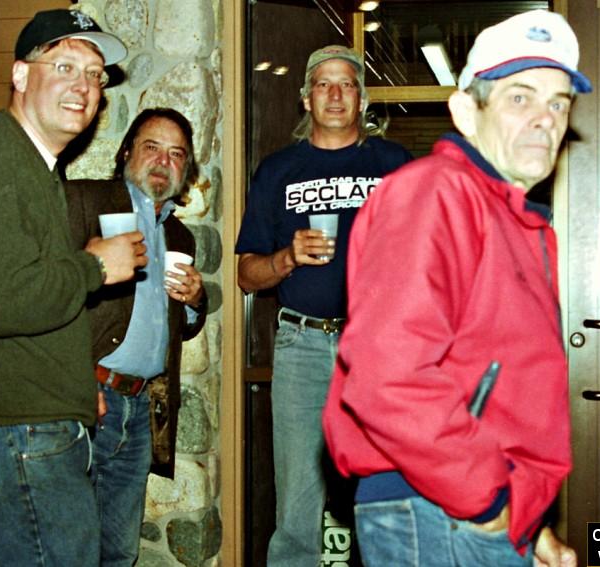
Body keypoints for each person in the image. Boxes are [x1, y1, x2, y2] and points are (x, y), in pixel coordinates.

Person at [322, 9, 588, 567]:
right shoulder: (435, 193)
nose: (546, 118)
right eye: (520, 97)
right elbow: (387, 376)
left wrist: (528, 526)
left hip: (465, 508)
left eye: (559, 102)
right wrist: (490, 498)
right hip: (437, 507)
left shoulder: (516, 218)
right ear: (467, 111)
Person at [0, 9, 147, 566]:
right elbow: (4, 300)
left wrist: (70, 384)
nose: (84, 86)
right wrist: (95, 267)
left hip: (24, 429)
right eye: (65, 65)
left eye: (95, 74)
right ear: (21, 76)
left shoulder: (32, 165)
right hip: (11, 440)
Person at [235, 45, 411, 567]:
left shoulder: (394, 163)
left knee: (385, 493)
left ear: (362, 98)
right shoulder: (278, 170)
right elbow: (246, 275)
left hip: (378, 349)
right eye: (324, 84)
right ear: (306, 97)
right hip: (303, 345)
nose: (335, 94)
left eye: (347, 84)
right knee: (296, 506)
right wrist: (288, 257)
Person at [67, 108, 206, 566]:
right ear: (127, 152)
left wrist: (194, 301)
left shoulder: (179, 233)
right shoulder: (85, 201)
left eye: (176, 154)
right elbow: (47, 294)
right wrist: (72, 380)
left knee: (119, 552)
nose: (163, 162)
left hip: (140, 408)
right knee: (68, 545)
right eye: (152, 148)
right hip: (89, 401)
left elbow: (177, 324)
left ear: (185, 171)